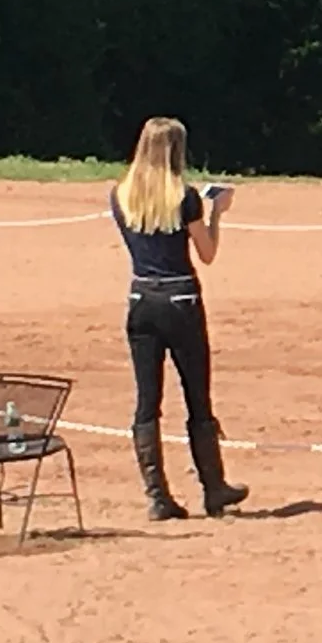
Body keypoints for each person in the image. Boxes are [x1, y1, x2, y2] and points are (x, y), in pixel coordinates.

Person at [110, 117, 249, 520]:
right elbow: (206, 253)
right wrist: (217, 214)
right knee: (196, 395)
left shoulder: (121, 196)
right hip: (181, 298)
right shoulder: (185, 197)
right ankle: (213, 486)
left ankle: (157, 494)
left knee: (147, 401)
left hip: (141, 298)